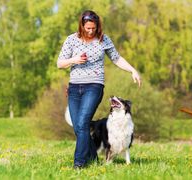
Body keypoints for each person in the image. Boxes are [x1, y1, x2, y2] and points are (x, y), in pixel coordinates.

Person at [57, 10, 141, 169]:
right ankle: (93, 159)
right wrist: (74, 60)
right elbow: (59, 63)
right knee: (78, 128)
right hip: (74, 88)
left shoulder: (103, 39)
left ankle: (79, 164)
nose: (90, 31)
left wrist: (132, 70)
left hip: (94, 86)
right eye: (87, 28)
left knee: (82, 123)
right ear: (81, 26)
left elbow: (117, 58)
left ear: (97, 26)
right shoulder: (71, 40)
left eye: (93, 28)